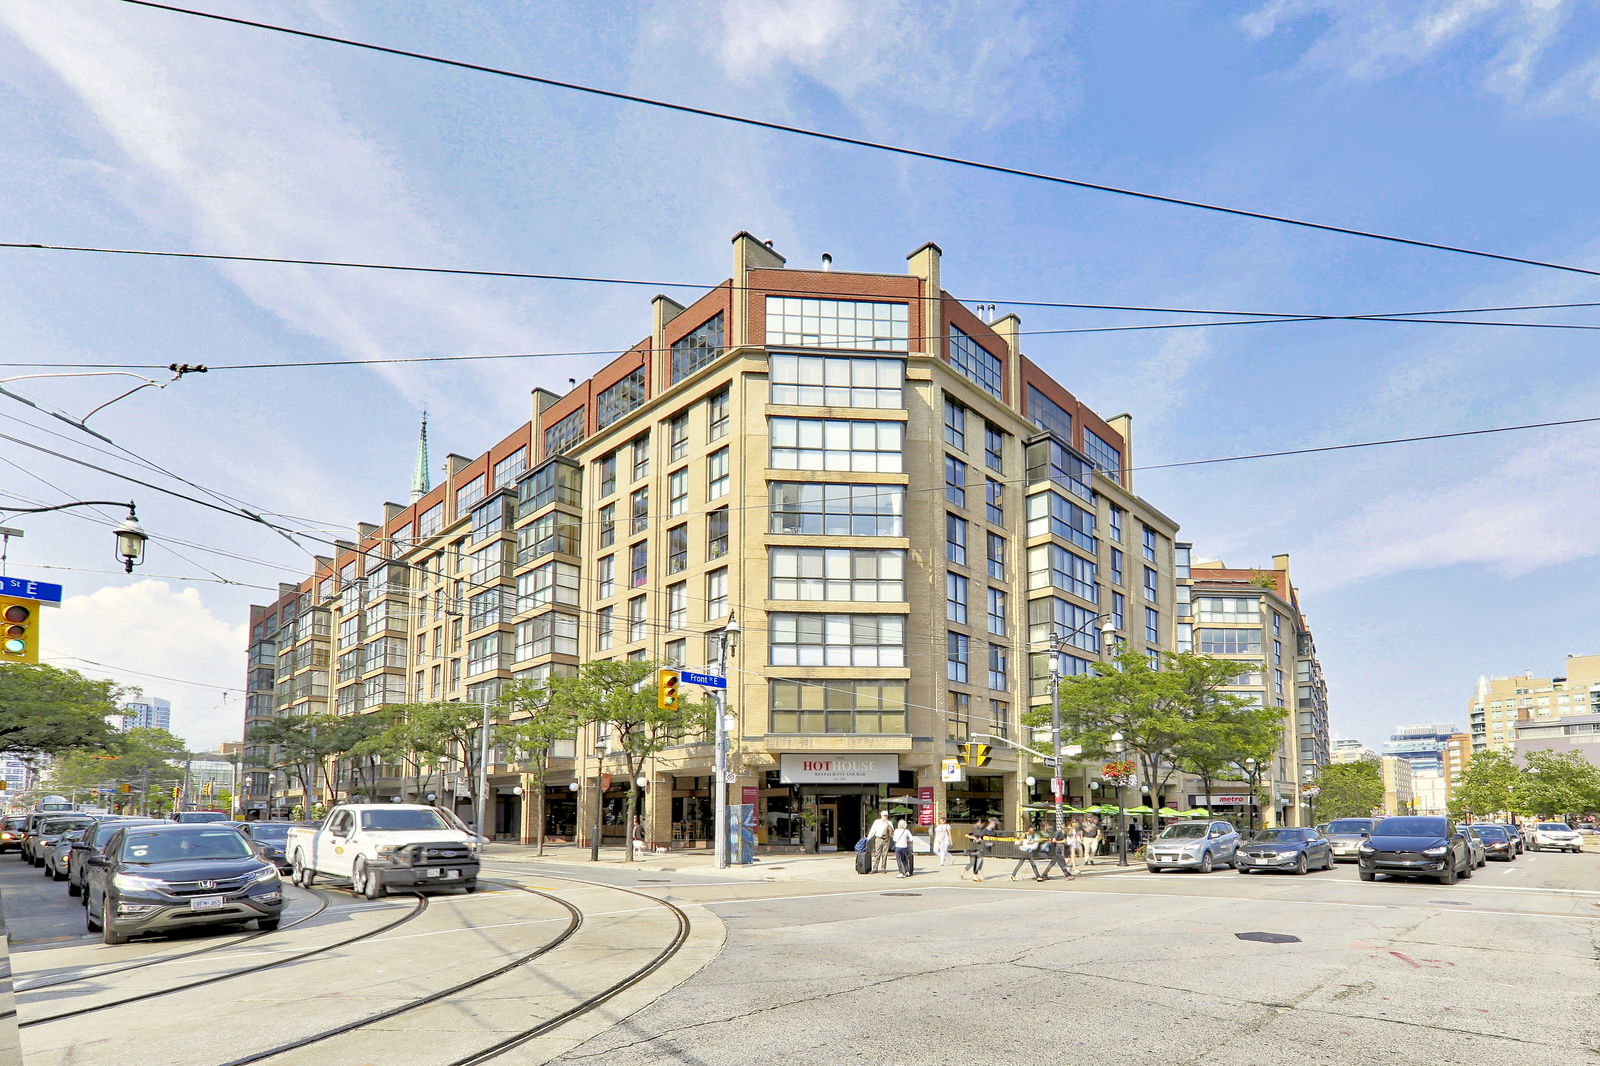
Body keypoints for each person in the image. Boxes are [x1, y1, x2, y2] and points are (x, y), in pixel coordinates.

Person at [962, 816, 997, 882]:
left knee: (979, 861)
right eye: (980, 823)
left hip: (979, 847)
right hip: (972, 847)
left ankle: (976, 875)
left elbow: (982, 836)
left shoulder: (982, 829)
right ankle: (964, 871)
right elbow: (966, 835)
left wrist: (980, 839)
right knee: (973, 862)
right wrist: (974, 838)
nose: (981, 824)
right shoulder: (973, 828)